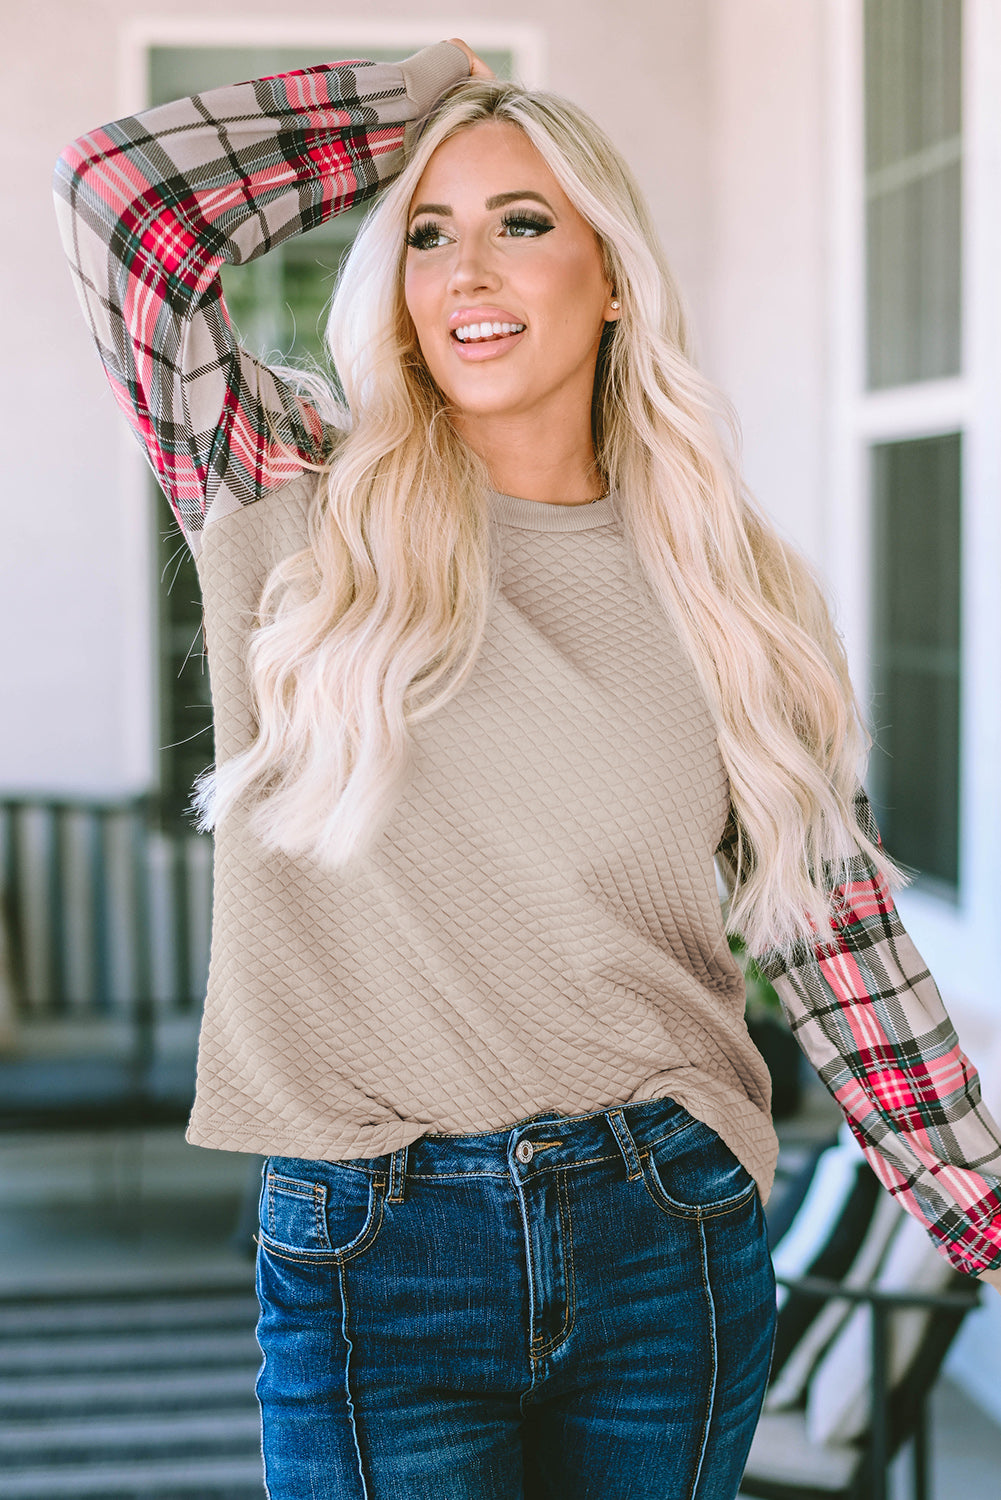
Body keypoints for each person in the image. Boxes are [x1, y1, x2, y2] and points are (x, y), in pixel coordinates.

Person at [54, 37, 1001, 1500]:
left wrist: (978, 1214)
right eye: (426, 234)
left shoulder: (726, 582)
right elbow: (126, 204)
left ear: (612, 275)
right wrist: (424, 97)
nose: (465, 272)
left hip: (664, 1228)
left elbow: (835, 927)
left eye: (523, 222)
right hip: (371, 1249)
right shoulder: (290, 488)